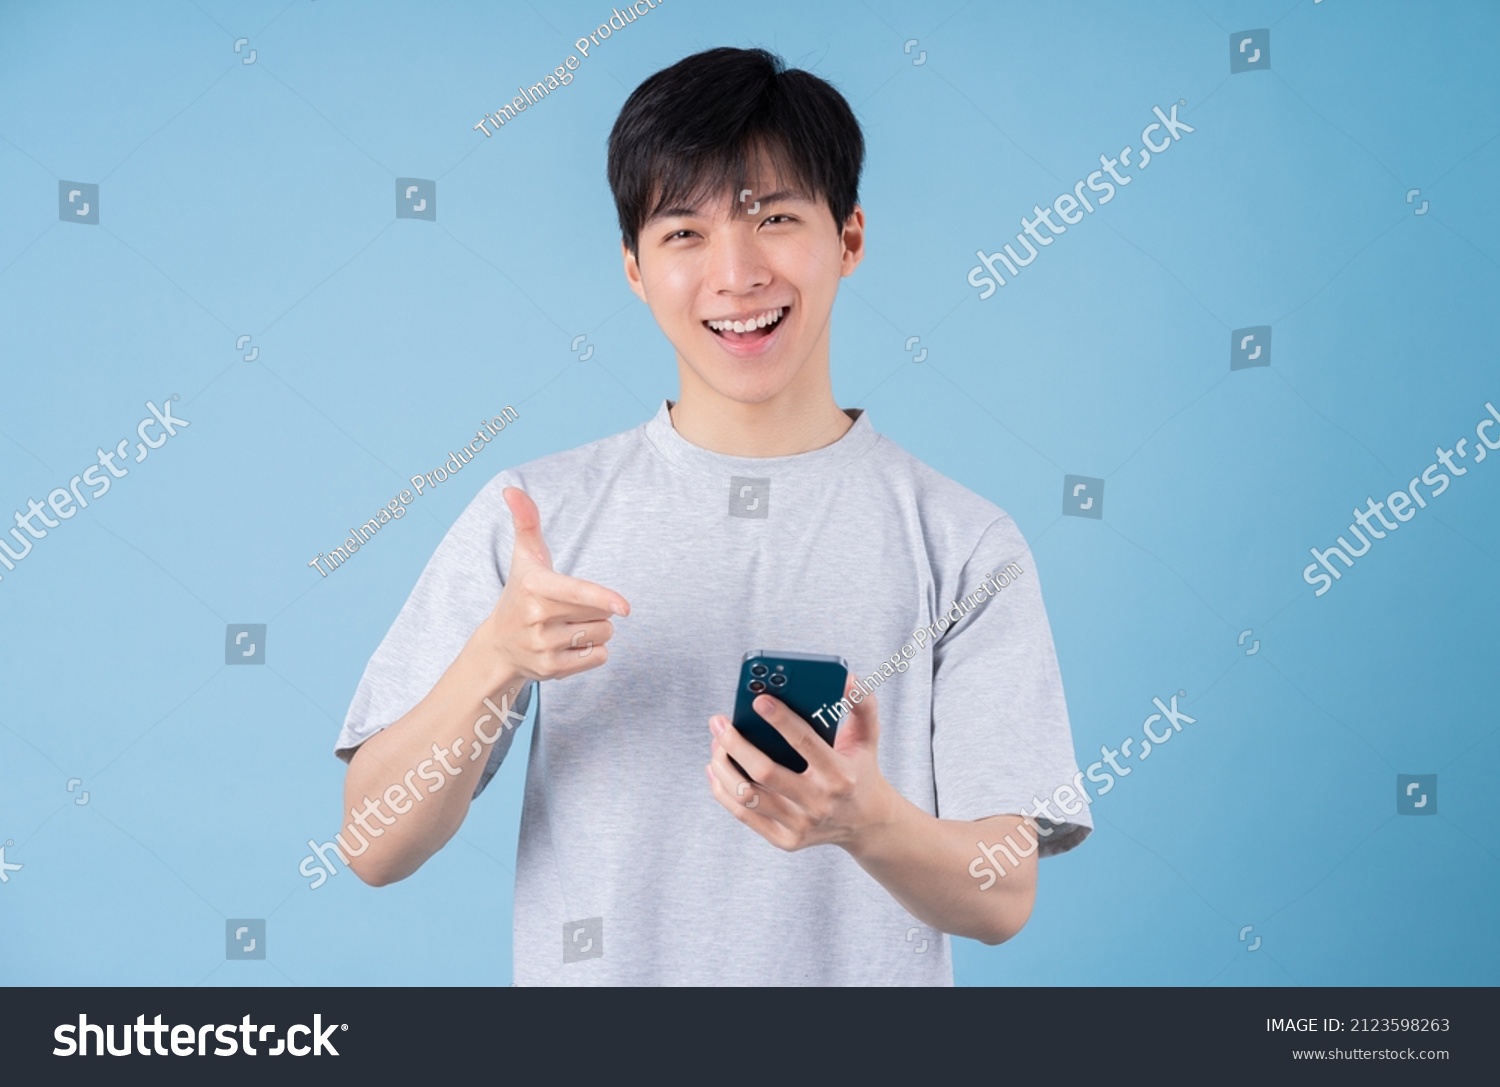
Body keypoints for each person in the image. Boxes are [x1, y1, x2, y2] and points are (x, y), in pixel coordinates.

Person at [333, 46, 1090, 985]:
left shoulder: (966, 543)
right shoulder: (537, 518)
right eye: (683, 233)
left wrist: (867, 823)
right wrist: (493, 658)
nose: (736, 274)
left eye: (774, 218)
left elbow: (1002, 895)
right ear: (635, 268)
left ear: (850, 238)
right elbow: (373, 844)